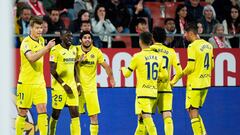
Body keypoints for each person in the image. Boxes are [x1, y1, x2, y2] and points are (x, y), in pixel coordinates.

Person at [121, 32, 168, 135]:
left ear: (140, 42)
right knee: (141, 121)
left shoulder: (137, 56)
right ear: (151, 41)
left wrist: (122, 68)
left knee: (147, 119)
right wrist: (154, 77)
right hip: (153, 92)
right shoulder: (158, 57)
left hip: (142, 92)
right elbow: (165, 76)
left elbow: (127, 74)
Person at [15, 16, 55, 135]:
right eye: (37, 28)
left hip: (39, 82)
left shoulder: (42, 40)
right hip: (26, 82)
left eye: (41, 28)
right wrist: (47, 48)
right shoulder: (25, 43)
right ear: (31, 28)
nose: (39, 30)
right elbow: (31, 58)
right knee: (23, 112)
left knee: (42, 109)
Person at [76, 31, 115, 135]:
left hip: (90, 89)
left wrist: (111, 78)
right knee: (75, 116)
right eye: (85, 37)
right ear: (80, 40)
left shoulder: (96, 51)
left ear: (92, 40)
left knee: (94, 116)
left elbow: (106, 66)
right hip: (77, 88)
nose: (87, 39)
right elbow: (68, 67)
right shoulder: (75, 50)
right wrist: (77, 61)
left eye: (89, 38)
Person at [183, 23, 214, 135]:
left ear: (191, 33)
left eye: (186, 33)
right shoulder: (208, 45)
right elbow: (212, 65)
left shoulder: (192, 46)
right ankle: (203, 132)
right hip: (205, 83)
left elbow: (190, 67)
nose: (185, 36)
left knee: (192, 110)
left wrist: (180, 74)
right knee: (193, 110)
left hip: (195, 83)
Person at [150, 27, 183, 135]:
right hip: (166, 88)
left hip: (151, 89)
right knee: (167, 116)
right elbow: (179, 72)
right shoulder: (171, 52)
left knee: (145, 118)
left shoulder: (148, 50)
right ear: (164, 37)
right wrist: (172, 83)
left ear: (152, 37)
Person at [48, 30, 81, 135]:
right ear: (61, 37)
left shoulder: (74, 49)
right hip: (59, 87)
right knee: (56, 113)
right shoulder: (55, 50)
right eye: (67, 36)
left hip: (71, 86)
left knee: (75, 113)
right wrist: (63, 84)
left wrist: (78, 83)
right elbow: (52, 70)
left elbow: (74, 67)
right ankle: (51, 132)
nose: (70, 38)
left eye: (71, 36)